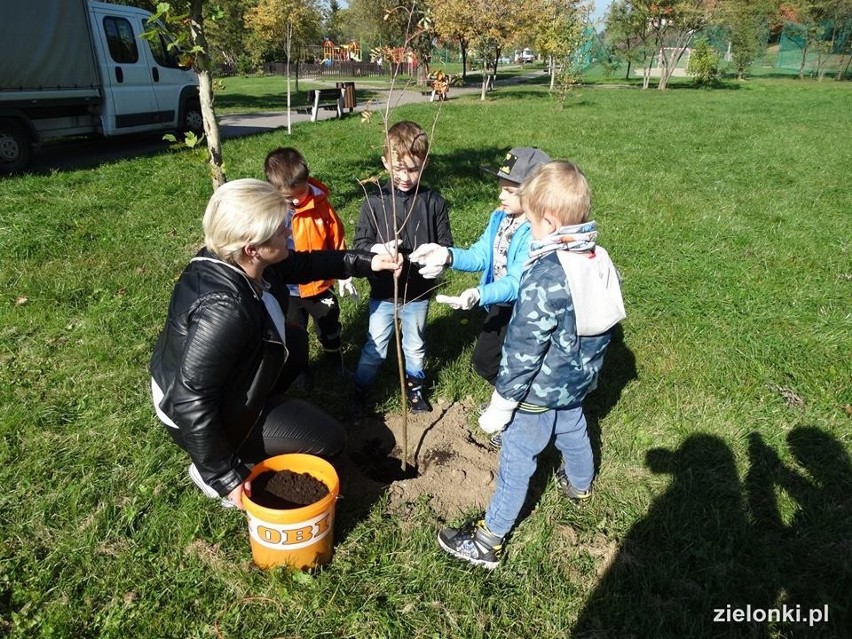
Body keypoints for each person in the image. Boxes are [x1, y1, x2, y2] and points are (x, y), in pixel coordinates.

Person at [149, 179, 401, 509]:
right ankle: (222, 458)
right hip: (189, 414)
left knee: (294, 339)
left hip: (210, 388)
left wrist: (366, 262)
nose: (289, 231)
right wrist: (224, 476)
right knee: (329, 438)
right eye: (282, 228)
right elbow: (191, 398)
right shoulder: (224, 310)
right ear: (251, 248)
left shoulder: (238, 259)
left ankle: (256, 416)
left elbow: (305, 264)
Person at [437, 161, 626, 568]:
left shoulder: (545, 275)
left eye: (535, 223)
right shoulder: (598, 256)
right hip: (578, 378)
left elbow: (523, 349)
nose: (531, 229)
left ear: (552, 222)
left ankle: (489, 541)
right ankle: (580, 487)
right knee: (573, 428)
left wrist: (501, 407)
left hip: (538, 388)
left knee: (517, 459)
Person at [409, 147, 551, 393]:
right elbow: (481, 254)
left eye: (509, 190)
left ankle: (520, 402)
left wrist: (479, 293)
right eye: (501, 187)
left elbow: (517, 281)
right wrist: (447, 255)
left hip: (527, 308)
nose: (501, 196)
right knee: (485, 361)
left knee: (518, 363)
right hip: (501, 301)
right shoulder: (501, 218)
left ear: (535, 194)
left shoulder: (536, 232)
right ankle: (511, 396)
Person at [352, 121, 453, 413]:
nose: (405, 177)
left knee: (415, 346)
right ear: (386, 162)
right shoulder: (374, 202)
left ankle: (414, 388)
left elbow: (445, 240)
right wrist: (376, 251)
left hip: (418, 293)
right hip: (383, 292)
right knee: (375, 347)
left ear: (425, 164)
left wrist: (439, 258)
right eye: (398, 169)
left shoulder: (433, 202)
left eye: (413, 169)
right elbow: (360, 243)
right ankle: (360, 389)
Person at [263, 147, 356, 381]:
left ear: (306, 182)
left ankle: (335, 359)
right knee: (294, 329)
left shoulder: (321, 206)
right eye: (288, 198)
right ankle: (301, 368)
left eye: (300, 193)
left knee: (329, 322)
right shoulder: (271, 213)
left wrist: (344, 269)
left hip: (319, 284)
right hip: (289, 288)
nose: (295, 200)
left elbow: (336, 235)